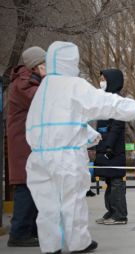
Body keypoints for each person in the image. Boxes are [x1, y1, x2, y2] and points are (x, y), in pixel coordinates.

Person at [25, 41, 135, 254]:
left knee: (47, 207)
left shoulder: (43, 88)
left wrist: (90, 136)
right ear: (70, 62)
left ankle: (50, 247)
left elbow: (56, 123)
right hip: (65, 157)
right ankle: (78, 243)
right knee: (72, 201)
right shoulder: (73, 85)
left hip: (38, 158)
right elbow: (107, 103)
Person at [7, 46, 46, 248]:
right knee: (25, 186)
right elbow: (42, 100)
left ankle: (28, 231)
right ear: (36, 65)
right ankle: (19, 233)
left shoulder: (30, 81)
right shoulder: (25, 83)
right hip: (23, 144)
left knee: (32, 186)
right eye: (45, 64)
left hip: (27, 143)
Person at [94, 69, 129, 225]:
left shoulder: (118, 101)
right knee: (109, 181)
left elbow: (117, 126)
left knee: (116, 182)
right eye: (100, 79)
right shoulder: (105, 100)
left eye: (104, 79)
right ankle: (111, 211)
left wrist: (108, 146)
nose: (101, 82)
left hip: (113, 150)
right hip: (103, 146)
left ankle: (120, 215)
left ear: (113, 81)